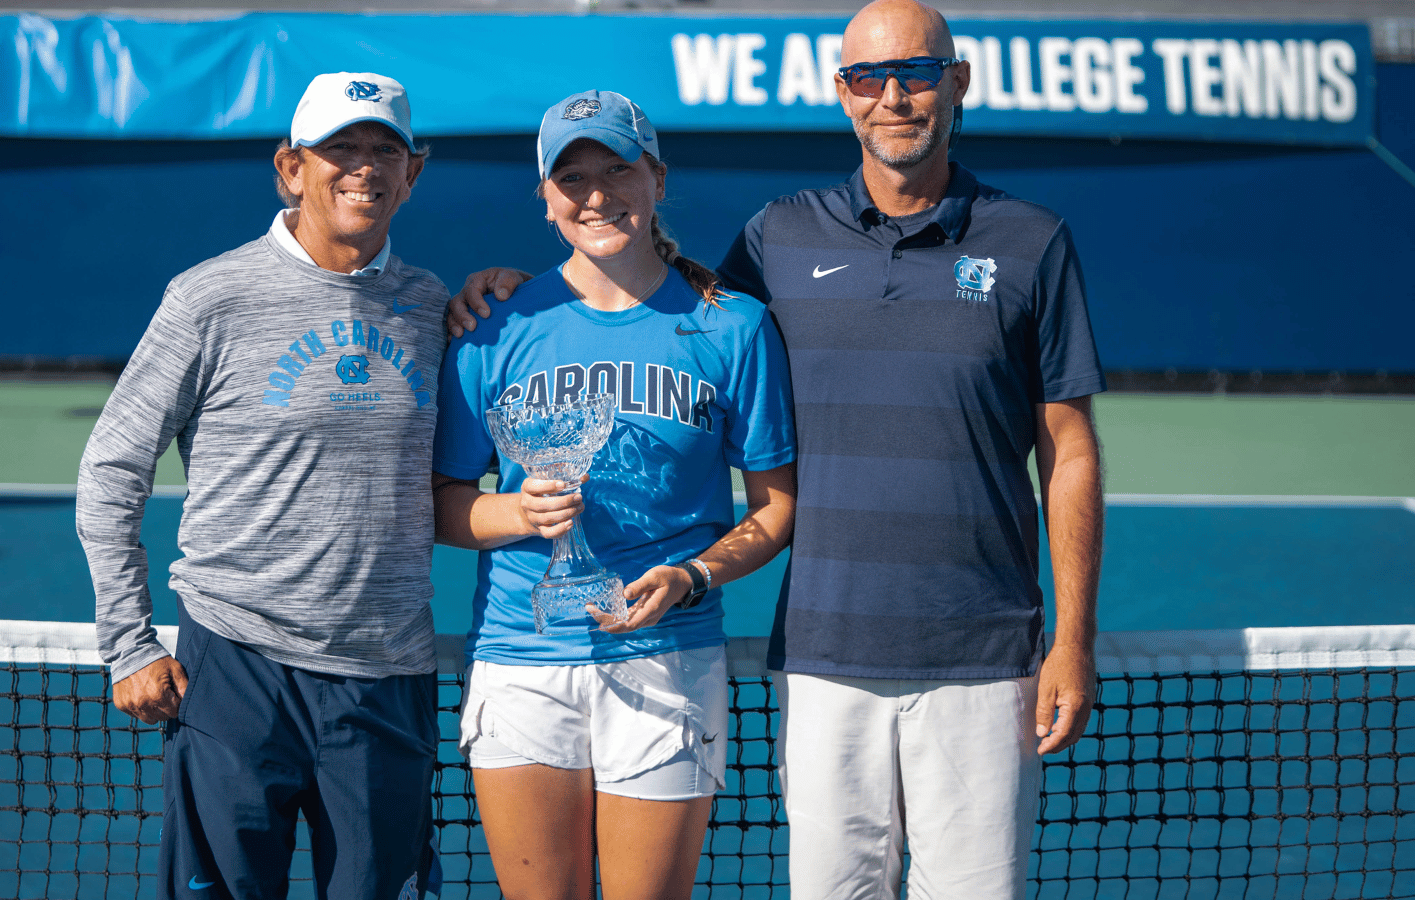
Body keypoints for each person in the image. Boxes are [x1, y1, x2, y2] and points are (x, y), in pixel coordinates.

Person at [447, 2, 1106, 896]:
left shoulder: (1029, 243)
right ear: (843, 93)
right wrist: (513, 299)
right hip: (813, 654)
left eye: (915, 73)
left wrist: (1073, 640)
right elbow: (654, 297)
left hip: (980, 655)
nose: (894, 95)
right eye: (870, 77)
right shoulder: (775, 240)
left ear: (955, 82)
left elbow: (1068, 448)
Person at [77, 72, 448, 900]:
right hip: (237, 667)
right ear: (290, 168)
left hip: (386, 675)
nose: (364, 167)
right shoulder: (210, 296)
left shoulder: (431, 306)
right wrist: (129, 644)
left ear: (412, 173)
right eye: (339, 149)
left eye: (384, 148)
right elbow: (111, 468)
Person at [430, 90, 797, 900]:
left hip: (666, 661)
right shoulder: (491, 327)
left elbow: (775, 509)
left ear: (657, 179)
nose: (596, 193)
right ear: (546, 199)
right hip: (523, 665)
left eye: (616, 169)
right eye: (572, 177)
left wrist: (692, 576)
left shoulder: (732, 327)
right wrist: (514, 512)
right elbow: (441, 503)